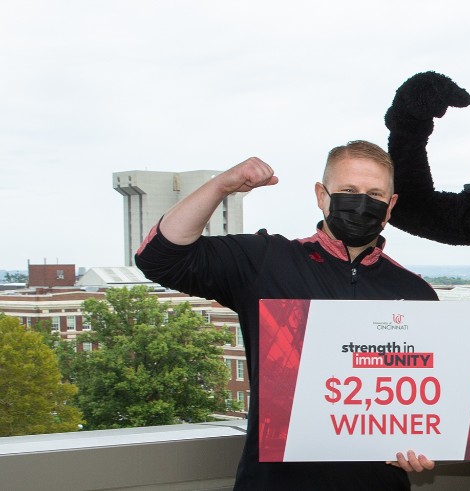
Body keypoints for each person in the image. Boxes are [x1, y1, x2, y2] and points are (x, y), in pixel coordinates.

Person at [135, 141, 439, 490]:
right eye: (348, 190)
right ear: (321, 195)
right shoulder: (265, 261)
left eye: (375, 194)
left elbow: (425, 402)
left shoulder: (416, 294)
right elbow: (159, 257)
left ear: (390, 207)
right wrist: (222, 185)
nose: (362, 202)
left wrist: (426, 444)